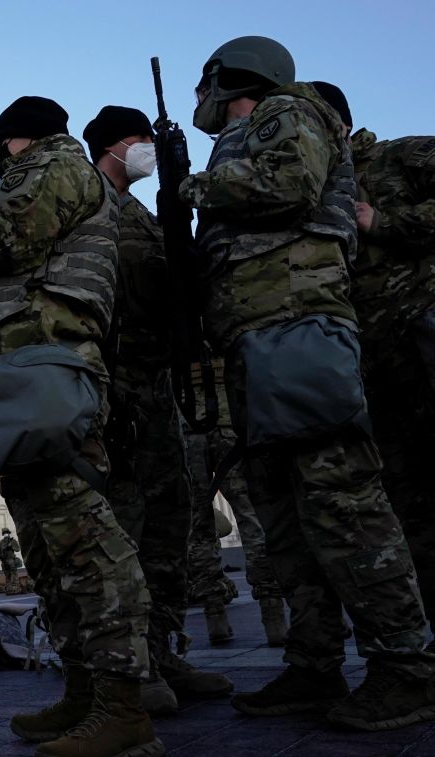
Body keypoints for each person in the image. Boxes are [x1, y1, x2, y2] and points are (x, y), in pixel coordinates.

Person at [180, 36, 435, 730]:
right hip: (258, 342)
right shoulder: (246, 134)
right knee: (286, 518)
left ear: (232, 77)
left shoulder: (289, 112)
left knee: (344, 503)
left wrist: (198, 186)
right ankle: (313, 663)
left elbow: (288, 184)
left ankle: (408, 667)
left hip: (298, 330)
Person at [0, 95, 160, 757]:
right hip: (23, 371)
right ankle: (85, 691)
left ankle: (124, 706)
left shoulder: (55, 163)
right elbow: (25, 270)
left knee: (83, 538)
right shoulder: (51, 177)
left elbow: (8, 239)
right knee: (49, 552)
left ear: (9, 144)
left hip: (51, 369)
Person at [83, 105, 233, 714]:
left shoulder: (142, 211)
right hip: (113, 384)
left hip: (156, 383)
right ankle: (126, 668)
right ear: (113, 146)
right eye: (139, 140)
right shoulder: (87, 204)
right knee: (124, 526)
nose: (146, 148)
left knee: (170, 523)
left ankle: (165, 649)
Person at [313, 80, 435, 632]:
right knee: (407, 505)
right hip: (372, 367)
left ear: (336, 124)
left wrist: (383, 223)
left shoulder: (399, 156)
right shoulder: (313, 190)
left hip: (422, 334)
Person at [184, 359, 288, 648]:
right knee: (251, 517)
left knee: (198, 526)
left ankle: (215, 615)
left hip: (187, 426)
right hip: (230, 421)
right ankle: (273, 616)